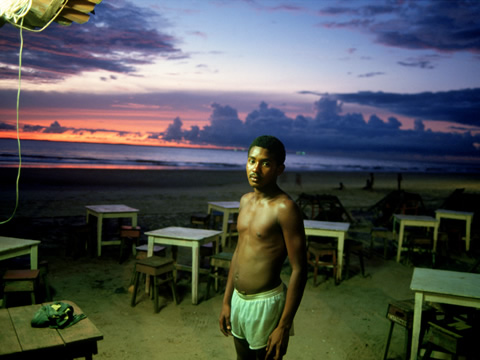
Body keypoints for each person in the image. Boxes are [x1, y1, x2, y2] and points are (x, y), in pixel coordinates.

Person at [219, 135, 307, 360]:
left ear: (279, 169)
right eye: (251, 160)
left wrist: (284, 326)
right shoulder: (245, 201)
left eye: (265, 163)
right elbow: (238, 253)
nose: (255, 168)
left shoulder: (285, 208)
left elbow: (299, 269)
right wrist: (227, 301)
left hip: (265, 303)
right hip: (239, 299)